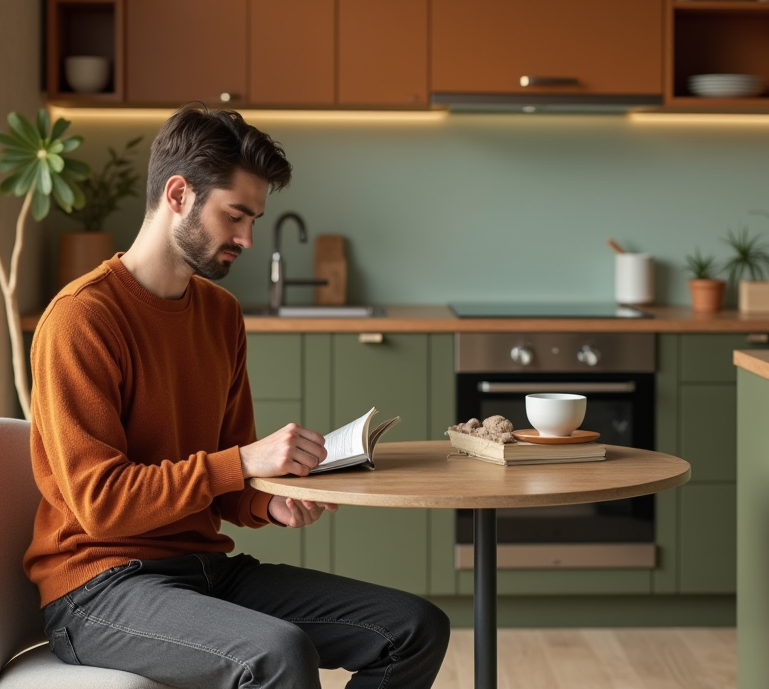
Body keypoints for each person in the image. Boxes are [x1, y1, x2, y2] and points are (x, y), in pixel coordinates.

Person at [24, 104, 450, 688]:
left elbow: (226, 477)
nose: (247, 238)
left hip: (203, 569)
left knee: (414, 628)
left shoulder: (220, 314)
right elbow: (101, 503)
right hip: (99, 585)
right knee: (278, 654)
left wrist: (267, 502)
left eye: (254, 219)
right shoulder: (81, 319)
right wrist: (246, 462)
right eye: (235, 215)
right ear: (178, 195)